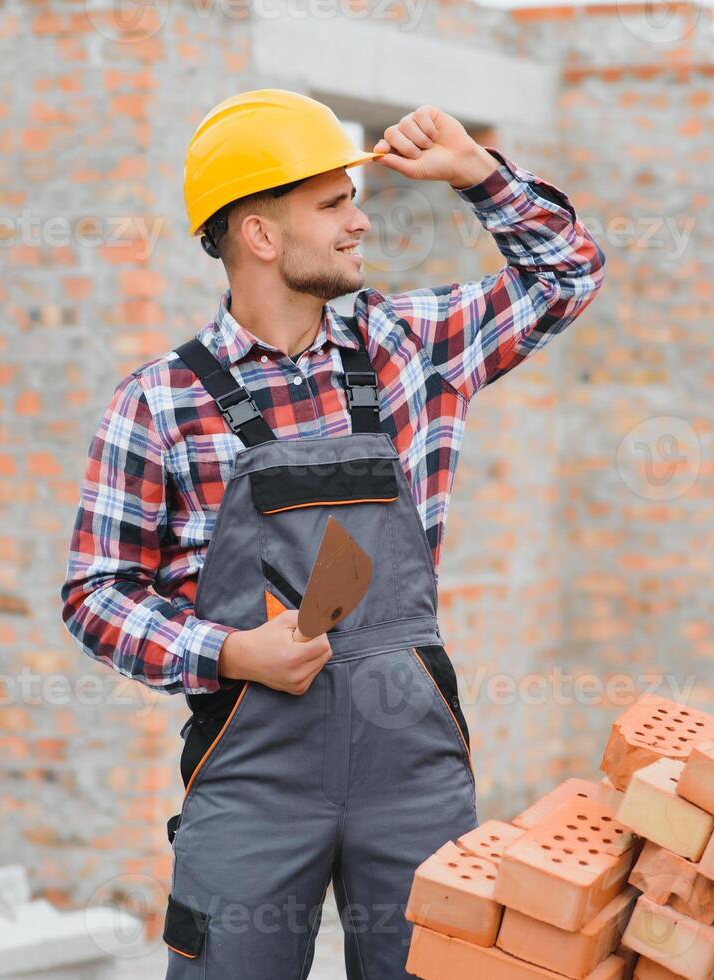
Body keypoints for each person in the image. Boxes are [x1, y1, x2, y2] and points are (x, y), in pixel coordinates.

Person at [59, 89, 606, 979]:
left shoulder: (412, 348)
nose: (361, 222)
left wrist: (475, 173)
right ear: (260, 236)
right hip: (254, 773)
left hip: (412, 768)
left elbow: (567, 271)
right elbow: (97, 595)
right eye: (333, 203)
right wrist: (231, 652)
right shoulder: (158, 402)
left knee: (437, 969)